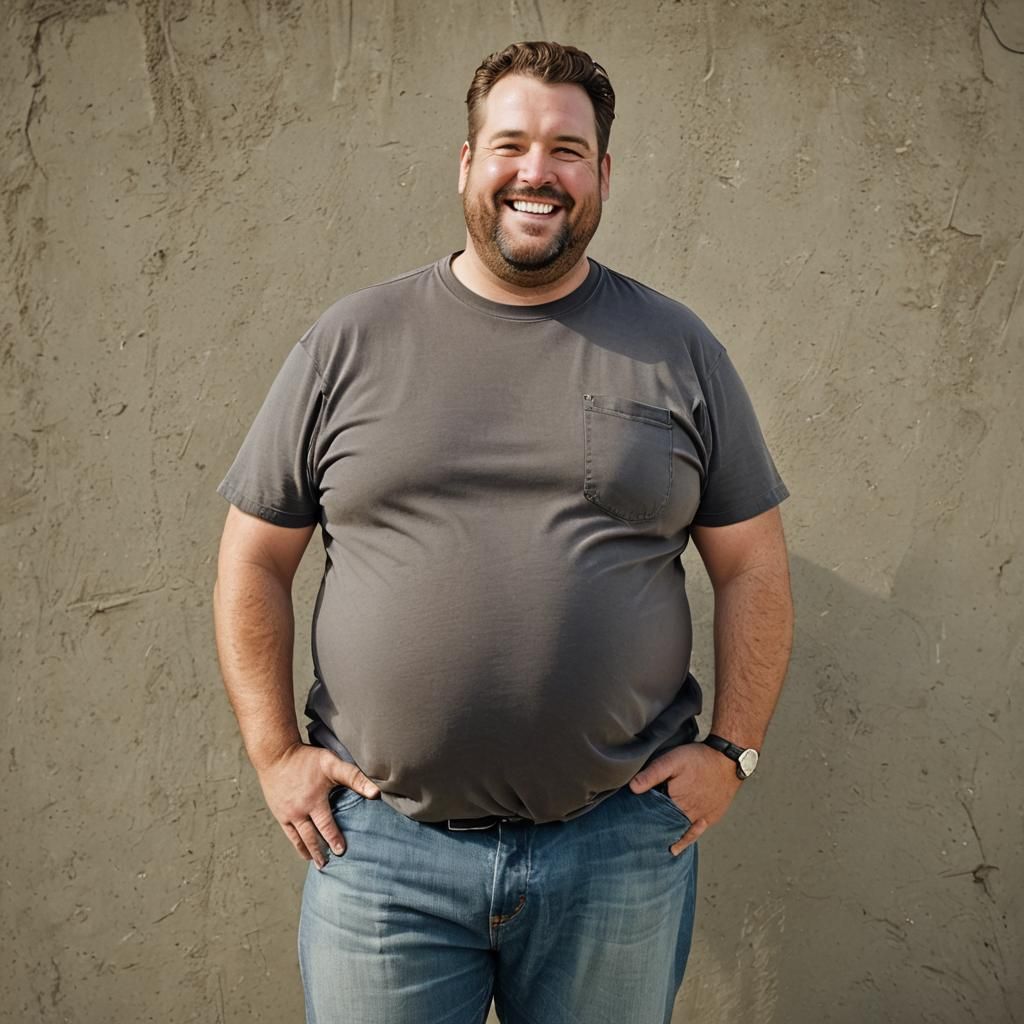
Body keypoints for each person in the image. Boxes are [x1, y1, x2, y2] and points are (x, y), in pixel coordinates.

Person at [213, 40, 793, 1024]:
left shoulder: (677, 350)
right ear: (467, 164)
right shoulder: (349, 343)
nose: (538, 172)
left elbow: (754, 566)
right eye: (512, 144)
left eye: (568, 149)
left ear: (602, 174)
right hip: (382, 855)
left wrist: (731, 751)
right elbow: (252, 559)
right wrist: (274, 752)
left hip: (613, 848)